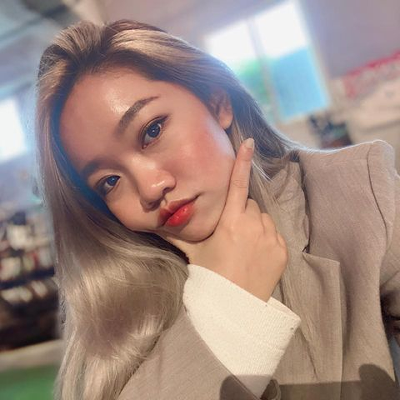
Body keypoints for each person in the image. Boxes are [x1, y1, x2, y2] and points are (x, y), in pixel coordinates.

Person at [34, 20, 400, 400]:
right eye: (109, 181)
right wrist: (229, 303)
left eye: (152, 131)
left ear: (217, 102)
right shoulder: (114, 305)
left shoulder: (355, 190)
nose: (150, 188)